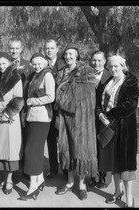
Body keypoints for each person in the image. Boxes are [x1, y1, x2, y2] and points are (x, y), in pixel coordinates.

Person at [54, 43, 98, 201]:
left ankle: (82, 185)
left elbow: (89, 96)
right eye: (66, 54)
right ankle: (69, 182)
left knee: (80, 150)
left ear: (77, 55)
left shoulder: (85, 71)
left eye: (72, 54)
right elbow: (57, 92)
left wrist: (68, 102)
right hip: (64, 116)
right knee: (67, 149)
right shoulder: (61, 72)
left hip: (81, 118)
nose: (68, 56)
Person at [96, 55, 139, 207]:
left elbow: (130, 105)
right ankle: (117, 192)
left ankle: (129, 199)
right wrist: (101, 115)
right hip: (108, 126)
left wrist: (108, 115)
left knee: (125, 166)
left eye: (116, 66)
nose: (113, 69)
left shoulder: (130, 82)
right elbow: (99, 103)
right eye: (111, 66)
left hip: (124, 129)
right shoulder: (108, 82)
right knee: (114, 163)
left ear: (123, 66)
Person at [20, 53, 55, 200]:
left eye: (39, 63)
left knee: (31, 151)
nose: (37, 66)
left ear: (45, 62)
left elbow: (50, 97)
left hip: (41, 118)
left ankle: (33, 186)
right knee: (35, 150)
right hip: (32, 117)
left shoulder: (47, 75)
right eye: (34, 64)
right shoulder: (34, 75)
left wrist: (32, 101)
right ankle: (39, 179)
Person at [0, 52, 24, 195]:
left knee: (10, 151)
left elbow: (19, 98)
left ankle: (9, 180)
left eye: (4, 63)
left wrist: (7, 113)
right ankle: (5, 178)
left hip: (11, 117)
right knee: (1, 149)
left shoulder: (16, 77)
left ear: (10, 63)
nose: (1, 66)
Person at [8, 38, 34, 180]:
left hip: (24, 107)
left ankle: (26, 169)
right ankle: (10, 171)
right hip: (9, 107)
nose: (14, 51)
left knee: (25, 138)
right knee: (12, 139)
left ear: (21, 49)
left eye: (17, 48)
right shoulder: (5, 64)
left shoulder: (28, 65)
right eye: (12, 48)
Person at [43, 39, 67, 180]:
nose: (49, 51)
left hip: (61, 109)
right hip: (47, 109)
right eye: (47, 48)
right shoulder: (42, 63)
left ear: (57, 49)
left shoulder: (63, 65)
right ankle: (53, 168)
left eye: (52, 48)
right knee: (51, 140)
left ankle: (65, 168)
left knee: (62, 141)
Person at [89, 51, 112, 189]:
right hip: (90, 116)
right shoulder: (88, 74)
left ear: (104, 61)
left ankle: (105, 178)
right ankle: (94, 176)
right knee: (93, 148)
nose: (96, 63)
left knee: (105, 146)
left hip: (104, 116)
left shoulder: (110, 75)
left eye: (99, 60)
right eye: (94, 60)